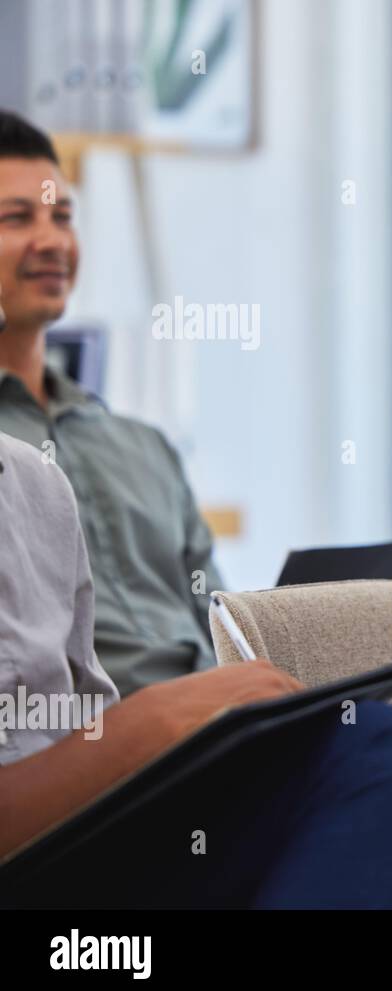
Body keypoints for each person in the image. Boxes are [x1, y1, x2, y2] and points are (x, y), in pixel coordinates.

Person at [0, 424, 392, 907]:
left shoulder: (33, 478)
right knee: (373, 755)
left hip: (80, 836)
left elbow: (83, 717)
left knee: (381, 746)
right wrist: (152, 720)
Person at [0, 110, 221, 696]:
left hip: (221, 725)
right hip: (88, 751)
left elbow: (220, 618)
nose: (51, 241)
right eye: (18, 218)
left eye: (63, 217)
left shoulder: (142, 445)